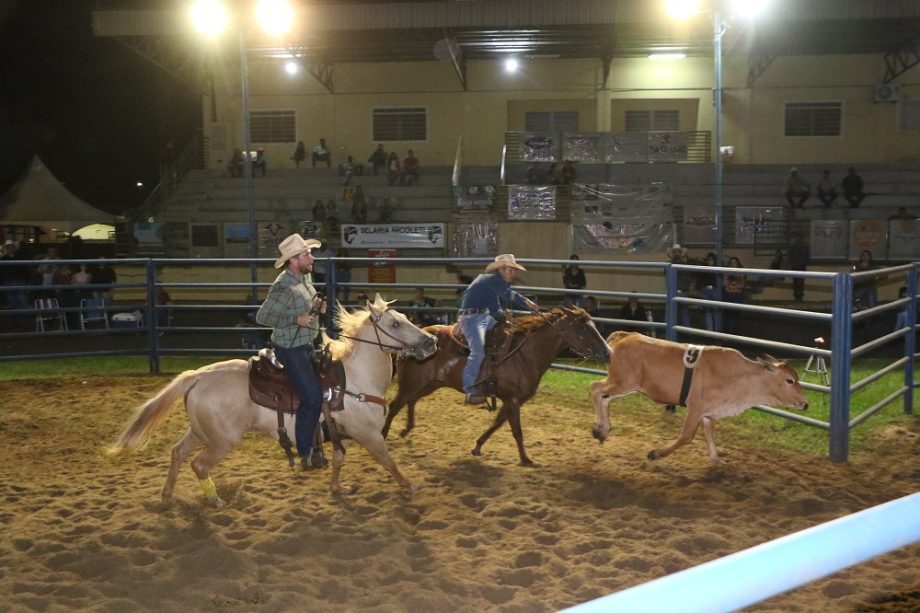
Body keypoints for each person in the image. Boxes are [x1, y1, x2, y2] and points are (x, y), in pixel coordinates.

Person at [256, 234, 328, 471]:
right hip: (290, 348)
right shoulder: (283, 287)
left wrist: (317, 307)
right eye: (307, 254)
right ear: (294, 260)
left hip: (307, 343)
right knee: (312, 397)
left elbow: (306, 303)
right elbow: (263, 316)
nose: (312, 257)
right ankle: (305, 452)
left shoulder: (305, 278)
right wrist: (295, 318)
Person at [458, 254, 538, 404]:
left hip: (481, 316)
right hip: (471, 319)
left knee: (507, 334)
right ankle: (469, 390)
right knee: (478, 352)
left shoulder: (493, 282)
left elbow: (504, 297)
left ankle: (495, 374)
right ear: (502, 269)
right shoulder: (491, 282)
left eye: (514, 270)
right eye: (511, 270)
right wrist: (507, 315)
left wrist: (524, 302)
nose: (514, 274)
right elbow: (497, 310)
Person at [666, 244, 691, 327]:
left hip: (678, 291)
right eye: (675, 252)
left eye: (677, 252)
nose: (676, 253)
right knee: (681, 313)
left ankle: (672, 331)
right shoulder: (684, 264)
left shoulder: (669, 265)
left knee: (676, 312)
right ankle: (686, 332)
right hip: (680, 291)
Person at [722, 256, 747, 334]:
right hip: (728, 295)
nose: (733, 264)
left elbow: (742, 285)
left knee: (736, 316)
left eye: (734, 263)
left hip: (736, 295)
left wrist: (732, 286)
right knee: (726, 316)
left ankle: (736, 334)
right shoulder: (726, 272)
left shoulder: (741, 272)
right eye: (731, 263)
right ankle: (726, 334)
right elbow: (724, 284)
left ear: (738, 264)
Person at [788, 234, 809, 302]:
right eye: (798, 238)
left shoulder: (805, 248)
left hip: (801, 267)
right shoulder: (793, 248)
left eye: (800, 239)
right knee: (796, 282)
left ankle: (800, 297)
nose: (799, 240)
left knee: (801, 282)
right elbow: (790, 257)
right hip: (795, 267)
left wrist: (803, 263)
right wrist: (793, 264)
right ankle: (796, 296)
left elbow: (807, 257)